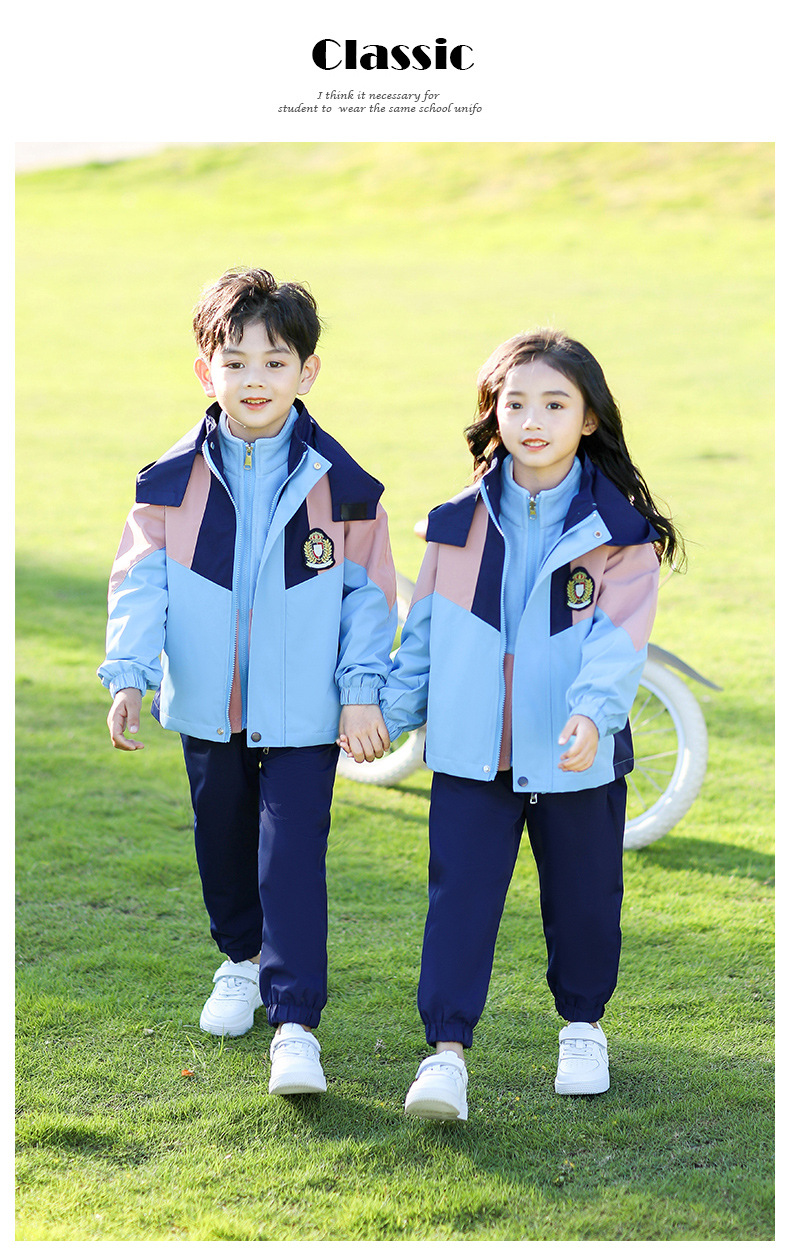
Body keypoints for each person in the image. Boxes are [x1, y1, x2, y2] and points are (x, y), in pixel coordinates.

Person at [99, 267, 396, 1096]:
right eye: (235, 362)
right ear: (207, 372)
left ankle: (294, 1023)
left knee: (291, 858)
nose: (254, 379)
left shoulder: (345, 486)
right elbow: (141, 585)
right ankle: (240, 960)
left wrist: (361, 690)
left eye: (274, 362)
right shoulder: (169, 483)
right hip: (207, 706)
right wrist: (128, 676)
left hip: (306, 714)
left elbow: (370, 598)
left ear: (307, 371)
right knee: (222, 845)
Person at [374, 329, 682, 1121]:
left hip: (577, 757)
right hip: (470, 758)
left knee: (584, 902)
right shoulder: (455, 525)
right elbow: (424, 642)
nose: (533, 420)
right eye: (515, 404)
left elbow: (618, 644)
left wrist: (592, 714)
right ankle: (445, 1056)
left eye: (554, 404)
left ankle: (582, 1029)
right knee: (459, 901)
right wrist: (385, 715)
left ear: (589, 418)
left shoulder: (621, 535)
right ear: (494, 414)